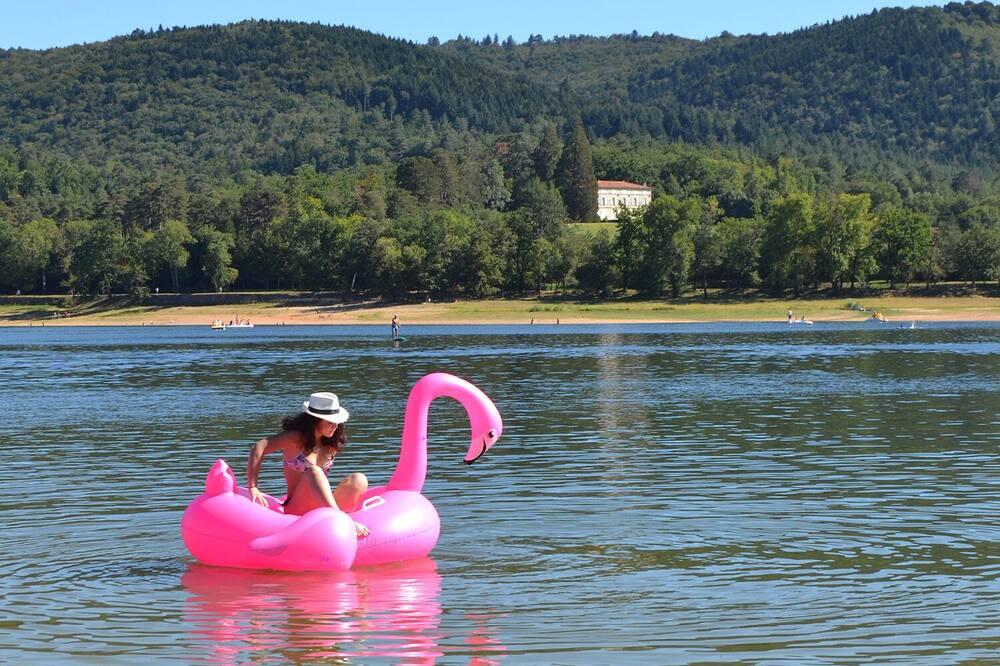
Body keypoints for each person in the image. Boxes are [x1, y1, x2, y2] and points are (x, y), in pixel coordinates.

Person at [246, 392, 369, 537]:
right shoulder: (295, 438)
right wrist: (253, 486)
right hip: (297, 509)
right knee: (314, 471)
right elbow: (258, 447)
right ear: (315, 420)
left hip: (321, 508)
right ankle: (343, 520)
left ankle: (337, 521)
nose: (335, 426)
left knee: (359, 479)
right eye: (330, 422)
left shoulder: (330, 442)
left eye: (337, 422)